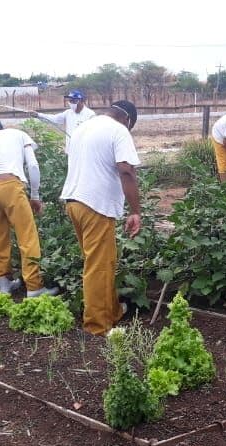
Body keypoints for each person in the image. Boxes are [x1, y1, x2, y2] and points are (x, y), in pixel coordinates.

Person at [60, 100, 142, 335]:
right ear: (128, 120)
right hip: (96, 206)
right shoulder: (119, 130)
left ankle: (113, 312)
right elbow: (126, 169)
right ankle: (96, 325)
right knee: (99, 267)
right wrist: (135, 211)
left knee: (102, 262)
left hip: (74, 203)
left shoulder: (82, 128)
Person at [0, 118, 57, 297]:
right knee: (27, 237)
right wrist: (35, 195)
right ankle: (34, 287)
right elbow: (33, 165)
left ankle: (4, 283)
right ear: (1, 127)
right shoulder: (18, 134)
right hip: (10, 184)